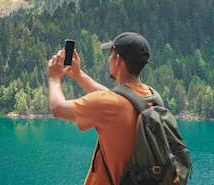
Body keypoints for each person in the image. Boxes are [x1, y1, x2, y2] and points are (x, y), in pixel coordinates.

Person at [47, 32, 153, 185]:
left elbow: (57, 108)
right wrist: (78, 75)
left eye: (111, 55)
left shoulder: (108, 104)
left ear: (118, 60)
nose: (109, 60)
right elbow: (111, 97)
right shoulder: (149, 96)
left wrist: (54, 78)